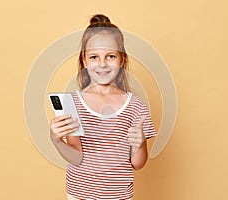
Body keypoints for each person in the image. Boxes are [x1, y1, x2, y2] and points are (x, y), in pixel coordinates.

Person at [50, 14, 157, 200]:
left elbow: (138, 164)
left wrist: (139, 144)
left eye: (110, 56)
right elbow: (77, 157)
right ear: (84, 61)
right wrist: (57, 141)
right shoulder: (72, 104)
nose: (102, 64)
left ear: (122, 60)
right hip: (80, 196)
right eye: (94, 57)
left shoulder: (135, 106)